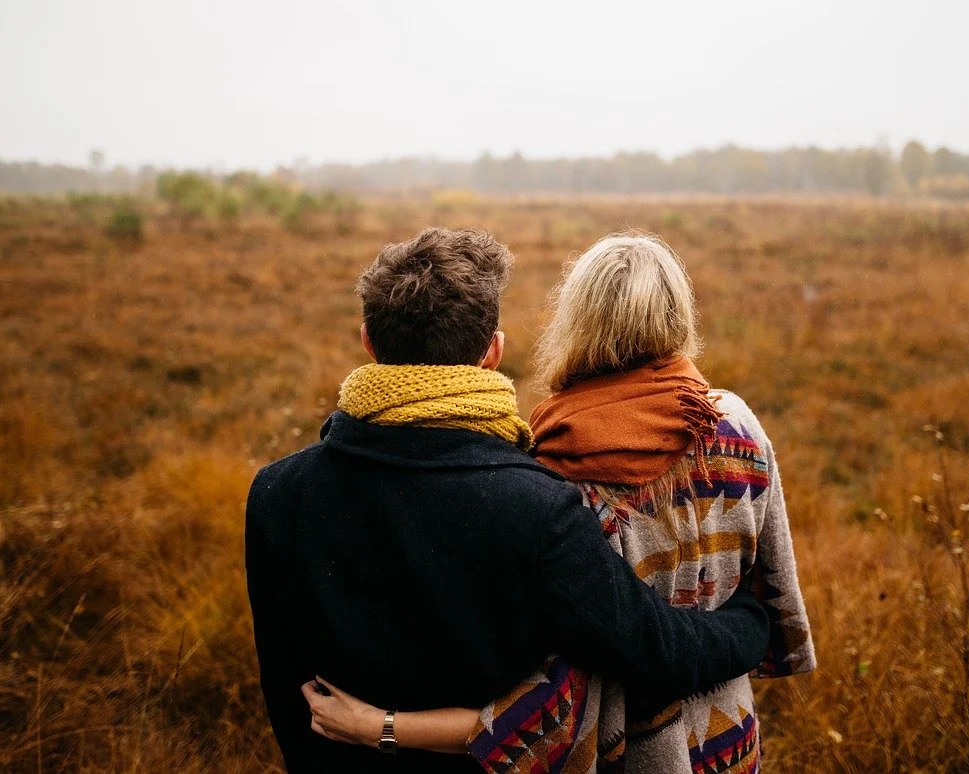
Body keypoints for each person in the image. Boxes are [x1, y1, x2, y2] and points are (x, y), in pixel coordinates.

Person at [245, 228, 775, 772]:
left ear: (368, 341)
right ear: (493, 351)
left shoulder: (275, 493)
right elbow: (655, 649)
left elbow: (286, 691)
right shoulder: (538, 505)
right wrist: (752, 624)